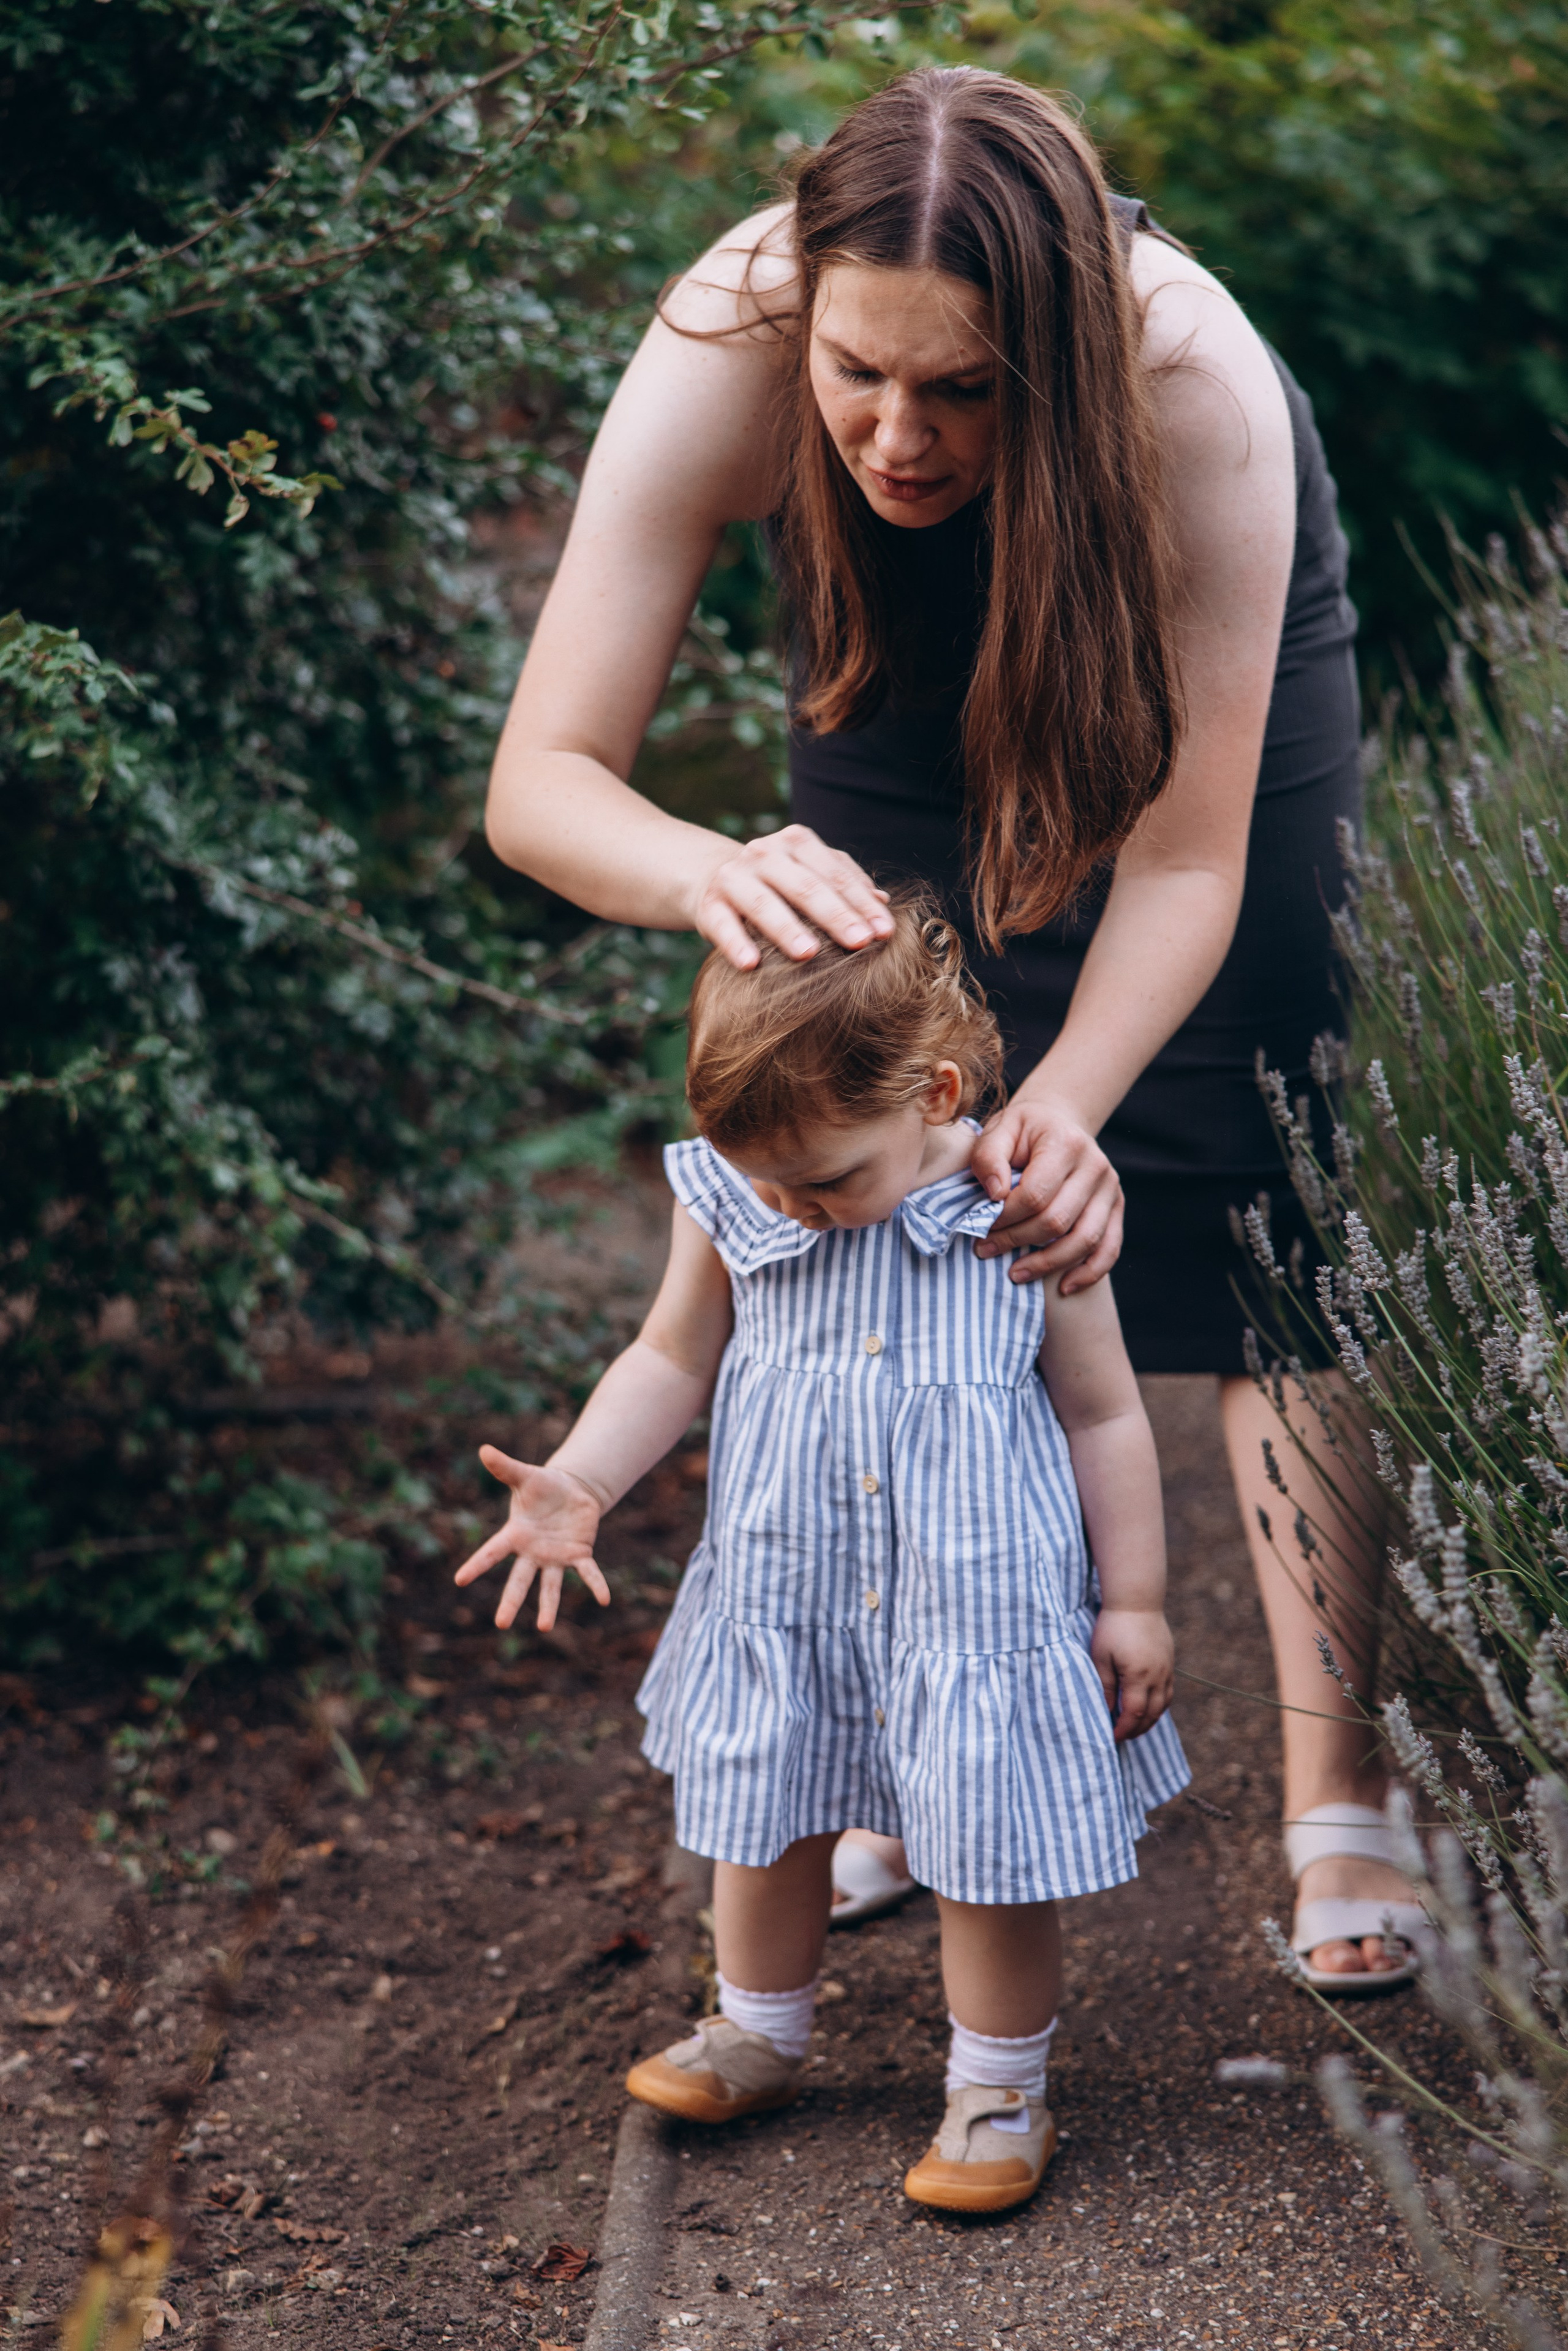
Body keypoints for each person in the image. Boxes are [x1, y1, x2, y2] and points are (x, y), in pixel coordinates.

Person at [483, 66, 1419, 1986]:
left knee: (1265, 1205)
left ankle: (1340, 1791)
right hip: (894, 677)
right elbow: (543, 778)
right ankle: (924, 1738)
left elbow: (1182, 865)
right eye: (858, 373)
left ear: (1055, 356)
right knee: (900, 1197)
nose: (897, 435)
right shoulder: (730, 336)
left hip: (1191, 697)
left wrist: (1066, 1106)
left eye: (963, 388)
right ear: (803, 313)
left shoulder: (1193, 387)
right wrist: (708, 869)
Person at [456, 900, 1184, 2210]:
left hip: (974, 1609)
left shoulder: (1026, 1211)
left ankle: (999, 2086)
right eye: (768, 1182)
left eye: (829, 1179)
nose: (794, 1205)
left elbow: (1104, 1413)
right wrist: (581, 1478)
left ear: (936, 1093)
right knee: (767, 1808)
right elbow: (669, 1355)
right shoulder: (734, 1200)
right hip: (791, 1587)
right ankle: (758, 2028)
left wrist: (1133, 1597)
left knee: (987, 1842)